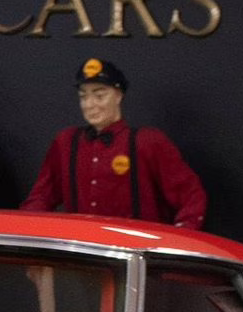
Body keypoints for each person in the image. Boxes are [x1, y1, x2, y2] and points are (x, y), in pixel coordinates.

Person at [22, 58, 206, 228]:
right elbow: (41, 197)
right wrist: (29, 234)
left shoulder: (147, 142)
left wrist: (178, 241)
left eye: (99, 95)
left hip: (136, 254)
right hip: (82, 251)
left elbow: (191, 195)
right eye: (83, 96)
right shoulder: (66, 143)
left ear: (118, 96)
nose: (89, 104)